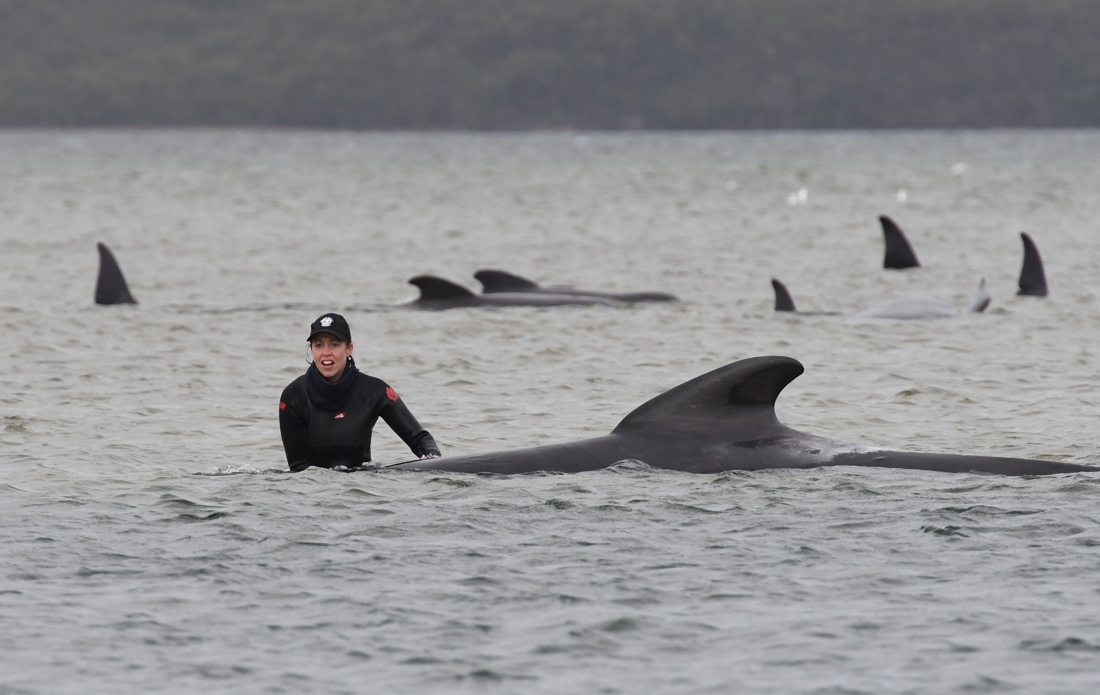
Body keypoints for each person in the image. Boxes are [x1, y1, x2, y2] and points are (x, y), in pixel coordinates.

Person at [279, 313, 441, 471]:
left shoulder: (373, 390)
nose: (326, 352)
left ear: (349, 348)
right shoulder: (293, 396)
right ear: (312, 349)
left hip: (362, 488)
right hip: (314, 493)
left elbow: (420, 439)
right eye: (319, 345)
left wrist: (433, 458)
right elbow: (298, 468)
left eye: (334, 344)